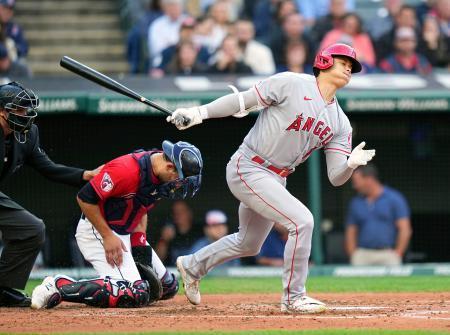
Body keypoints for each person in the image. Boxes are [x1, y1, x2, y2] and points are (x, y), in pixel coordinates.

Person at [167, 43, 375, 313]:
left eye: (352, 65)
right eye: (343, 60)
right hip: (249, 166)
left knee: (249, 243)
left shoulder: (340, 122)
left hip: (277, 178)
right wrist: (199, 113)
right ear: (324, 60)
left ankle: (193, 265)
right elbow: (242, 101)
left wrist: (350, 165)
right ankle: (294, 297)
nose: (349, 67)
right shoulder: (291, 83)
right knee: (302, 222)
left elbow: (336, 178)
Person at [31, 140, 204, 309]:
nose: (177, 185)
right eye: (179, 179)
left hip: (124, 232)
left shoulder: (159, 174)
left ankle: (125, 284)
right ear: (169, 167)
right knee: (133, 293)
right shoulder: (126, 170)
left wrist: (139, 243)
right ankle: (58, 286)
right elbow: (84, 198)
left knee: (167, 286)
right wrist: (107, 236)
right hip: (97, 230)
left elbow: (141, 206)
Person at [0, 82, 100, 307]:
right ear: (2, 111)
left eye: (26, 110)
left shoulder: (26, 135)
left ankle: (1, 289)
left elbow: (48, 168)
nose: (25, 115)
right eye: (19, 110)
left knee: (32, 229)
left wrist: (86, 175)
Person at [344, 164, 412, 266]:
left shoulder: (394, 198)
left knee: (393, 282)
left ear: (369, 179)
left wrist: (398, 253)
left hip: (387, 254)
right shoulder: (356, 203)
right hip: (362, 254)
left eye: (356, 182)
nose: (355, 186)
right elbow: (351, 232)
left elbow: (405, 229)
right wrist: (353, 254)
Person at [156, 199, 203, 265]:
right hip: (174, 271)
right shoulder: (169, 232)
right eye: (175, 212)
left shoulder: (200, 231)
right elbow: (158, 260)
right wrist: (164, 240)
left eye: (182, 211)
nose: (178, 214)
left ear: (189, 213)